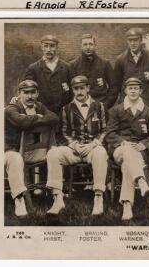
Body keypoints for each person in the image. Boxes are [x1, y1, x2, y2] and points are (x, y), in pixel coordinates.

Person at [46, 75, 109, 215]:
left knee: (101, 153)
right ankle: (58, 198)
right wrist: (74, 144)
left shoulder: (100, 107)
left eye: (82, 88)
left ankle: (98, 197)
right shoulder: (66, 109)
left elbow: (105, 130)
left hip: (93, 148)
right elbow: (62, 133)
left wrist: (93, 144)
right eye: (76, 89)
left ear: (88, 88)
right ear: (72, 90)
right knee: (53, 153)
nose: (79, 92)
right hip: (74, 149)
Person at [5, 80, 59, 217]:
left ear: (37, 93)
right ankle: (19, 199)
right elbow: (21, 122)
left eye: (33, 92)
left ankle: (57, 196)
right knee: (15, 159)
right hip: (12, 150)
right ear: (19, 94)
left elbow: (54, 118)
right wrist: (39, 117)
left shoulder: (39, 106)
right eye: (26, 92)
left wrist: (34, 117)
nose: (30, 96)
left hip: (33, 151)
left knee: (55, 153)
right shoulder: (11, 108)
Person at [105, 77, 149, 221]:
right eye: (130, 88)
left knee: (128, 164)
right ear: (125, 91)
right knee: (128, 150)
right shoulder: (116, 110)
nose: (133, 91)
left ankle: (127, 204)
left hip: (139, 153)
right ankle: (141, 181)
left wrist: (144, 144)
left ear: (141, 91)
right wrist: (123, 142)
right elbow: (110, 133)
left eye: (136, 88)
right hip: (119, 151)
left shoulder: (148, 112)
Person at [113, 27, 149, 113]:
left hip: (148, 105)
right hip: (128, 105)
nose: (133, 43)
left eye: (136, 40)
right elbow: (117, 85)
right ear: (127, 41)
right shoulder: (120, 59)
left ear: (141, 40)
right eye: (130, 40)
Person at [22, 34, 71, 114]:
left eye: (52, 46)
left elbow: (72, 92)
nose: (48, 49)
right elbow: (26, 90)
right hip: (42, 113)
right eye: (46, 46)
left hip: (64, 113)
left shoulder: (67, 67)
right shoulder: (33, 68)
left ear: (57, 48)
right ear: (42, 47)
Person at [69, 33, 116, 109]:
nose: (88, 47)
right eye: (85, 44)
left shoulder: (104, 63)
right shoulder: (73, 65)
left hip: (100, 104)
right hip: (81, 106)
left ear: (95, 46)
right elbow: (71, 90)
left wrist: (106, 104)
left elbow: (113, 87)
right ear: (81, 46)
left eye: (90, 44)